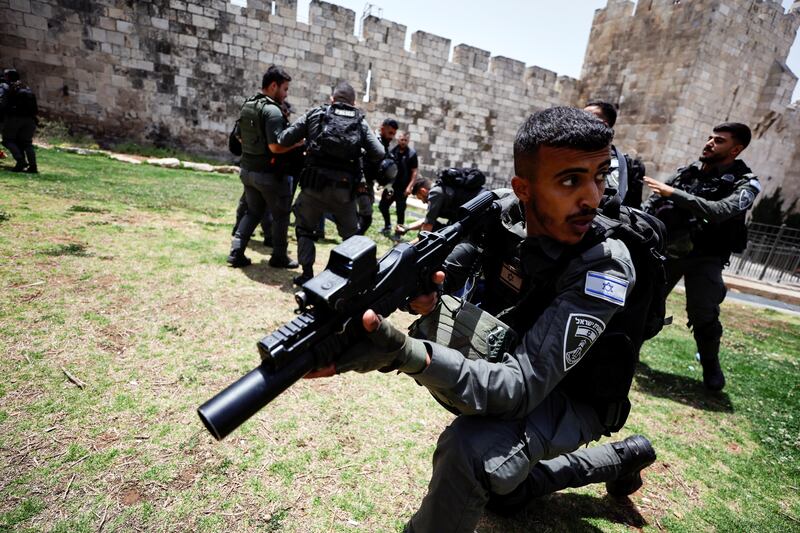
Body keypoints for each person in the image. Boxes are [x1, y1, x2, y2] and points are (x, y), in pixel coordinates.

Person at [307, 107, 659, 531]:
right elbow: (449, 268)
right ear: (523, 188)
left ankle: (616, 453)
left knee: (472, 450)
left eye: (600, 175)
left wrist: (402, 354)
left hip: (578, 395)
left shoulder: (604, 266)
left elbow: (519, 389)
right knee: (505, 494)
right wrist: (421, 292)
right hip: (521, 361)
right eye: (570, 180)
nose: (592, 197)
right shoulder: (505, 215)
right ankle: (626, 456)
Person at [643, 122, 760, 391]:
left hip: (707, 256)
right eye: (709, 137)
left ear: (736, 149)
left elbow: (719, 211)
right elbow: (654, 204)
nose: (709, 143)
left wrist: (673, 193)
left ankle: (711, 365)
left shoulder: (746, 183)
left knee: (703, 312)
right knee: (647, 302)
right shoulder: (688, 173)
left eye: (719, 140)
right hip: (671, 250)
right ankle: (628, 350)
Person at [278, 81, 385, 286]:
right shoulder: (359, 121)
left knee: (304, 229)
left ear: (332, 99)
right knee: (351, 238)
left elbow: (284, 139)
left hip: (313, 188)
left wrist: (307, 141)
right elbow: (379, 153)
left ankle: (307, 274)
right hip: (344, 192)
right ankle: (353, 279)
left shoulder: (316, 113)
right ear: (353, 102)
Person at [227, 66, 303, 269]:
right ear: (273, 86)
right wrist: (297, 144)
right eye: (285, 89)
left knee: (252, 212)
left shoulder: (249, 104)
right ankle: (279, 257)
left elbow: (239, 136)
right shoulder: (272, 111)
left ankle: (236, 252)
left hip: (247, 171)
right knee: (280, 216)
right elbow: (275, 146)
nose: (286, 94)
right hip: (269, 175)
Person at [584, 101, 645, 207]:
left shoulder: (629, 166)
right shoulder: (564, 153)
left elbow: (633, 205)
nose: (581, 121)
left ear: (605, 124)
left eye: (588, 117)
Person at [398, 169, 486, 236]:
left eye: (421, 198)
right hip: (479, 208)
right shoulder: (441, 189)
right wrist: (407, 227)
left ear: (423, 191)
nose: (423, 202)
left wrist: (411, 248)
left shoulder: (435, 193)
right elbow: (428, 220)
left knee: (432, 232)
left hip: (480, 214)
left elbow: (427, 227)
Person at [358, 118, 398, 235]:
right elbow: (360, 160)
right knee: (364, 217)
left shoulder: (384, 144)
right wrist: (361, 180)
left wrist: (388, 185)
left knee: (364, 217)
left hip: (368, 183)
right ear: (382, 129)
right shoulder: (373, 140)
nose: (392, 137)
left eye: (394, 134)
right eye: (390, 133)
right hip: (361, 182)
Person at [378, 130, 418, 239]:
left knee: (400, 211)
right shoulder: (392, 151)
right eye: (401, 139)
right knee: (382, 206)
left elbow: (414, 172)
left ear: (408, 141)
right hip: (391, 186)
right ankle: (387, 226)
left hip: (403, 188)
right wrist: (385, 185)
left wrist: (410, 187)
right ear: (398, 139)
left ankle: (398, 233)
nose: (403, 142)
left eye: (405, 140)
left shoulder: (412, 154)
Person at [1, 69, 38, 174]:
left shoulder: (10, 88)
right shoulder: (27, 88)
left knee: (8, 140)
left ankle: (20, 161)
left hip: (15, 118)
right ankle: (33, 166)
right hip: (30, 120)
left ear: (8, 77)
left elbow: (4, 103)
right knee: (27, 143)